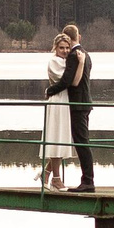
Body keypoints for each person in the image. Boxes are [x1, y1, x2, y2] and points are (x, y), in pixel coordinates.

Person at [54, 22, 95, 192]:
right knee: (82, 141)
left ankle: (88, 181)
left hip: (78, 104)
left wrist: (50, 90)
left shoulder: (73, 55)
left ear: (68, 39)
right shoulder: (86, 54)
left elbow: (67, 81)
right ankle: (87, 180)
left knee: (82, 143)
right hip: (85, 103)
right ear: (79, 37)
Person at [39, 33, 74, 190]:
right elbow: (66, 80)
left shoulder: (66, 61)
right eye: (61, 48)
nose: (65, 51)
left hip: (65, 101)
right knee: (56, 138)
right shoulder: (54, 61)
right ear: (55, 48)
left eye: (67, 48)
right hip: (57, 101)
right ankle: (56, 179)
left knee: (62, 138)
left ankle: (46, 173)